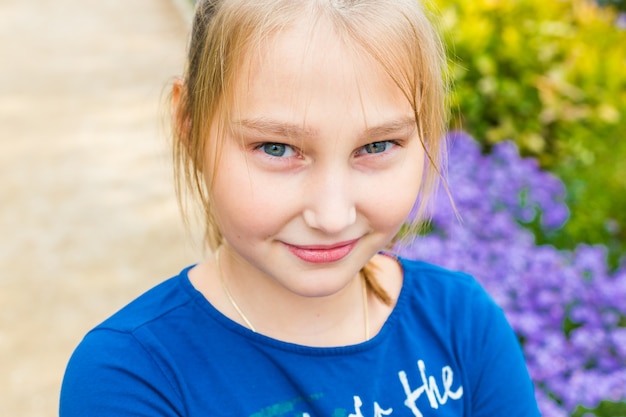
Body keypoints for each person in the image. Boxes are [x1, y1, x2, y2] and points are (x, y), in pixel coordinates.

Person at [60, 0, 541, 415]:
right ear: (190, 128)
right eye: (275, 148)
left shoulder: (463, 325)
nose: (332, 217)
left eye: (376, 147)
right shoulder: (133, 376)